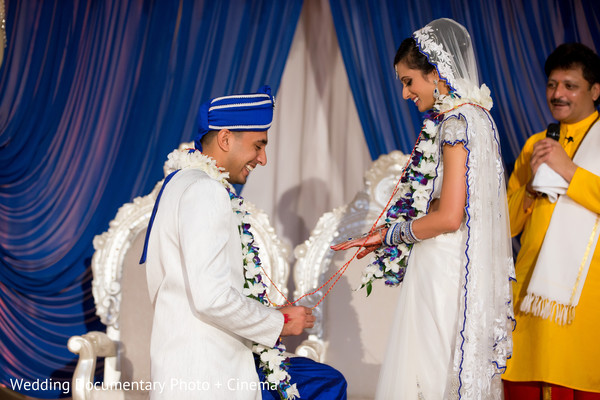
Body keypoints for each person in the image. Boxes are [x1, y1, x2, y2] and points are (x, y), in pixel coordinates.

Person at [332, 18, 514, 399]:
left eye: (408, 81)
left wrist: (389, 234)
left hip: (443, 268)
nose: (404, 94)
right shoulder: (480, 119)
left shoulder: (455, 125)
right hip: (462, 264)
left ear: (435, 73)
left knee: (429, 375)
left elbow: (449, 216)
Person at [142, 86, 347, 399]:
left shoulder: (180, 183)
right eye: (258, 145)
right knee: (325, 385)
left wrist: (268, 312)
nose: (262, 159)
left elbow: (190, 286)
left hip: (186, 364)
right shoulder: (206, 191)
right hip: (209, 372)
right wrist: (278, 323)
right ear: (225, 139)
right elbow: (211, 298)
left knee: (321, 380)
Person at [502, 43, 600, 398]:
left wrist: (569, 171)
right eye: (551, 84)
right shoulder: (536, 145)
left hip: (585, 301)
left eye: (569, 85)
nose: (557, 94)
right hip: (530, 294)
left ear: (595, 90)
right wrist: (529, 188)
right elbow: (508, 226)